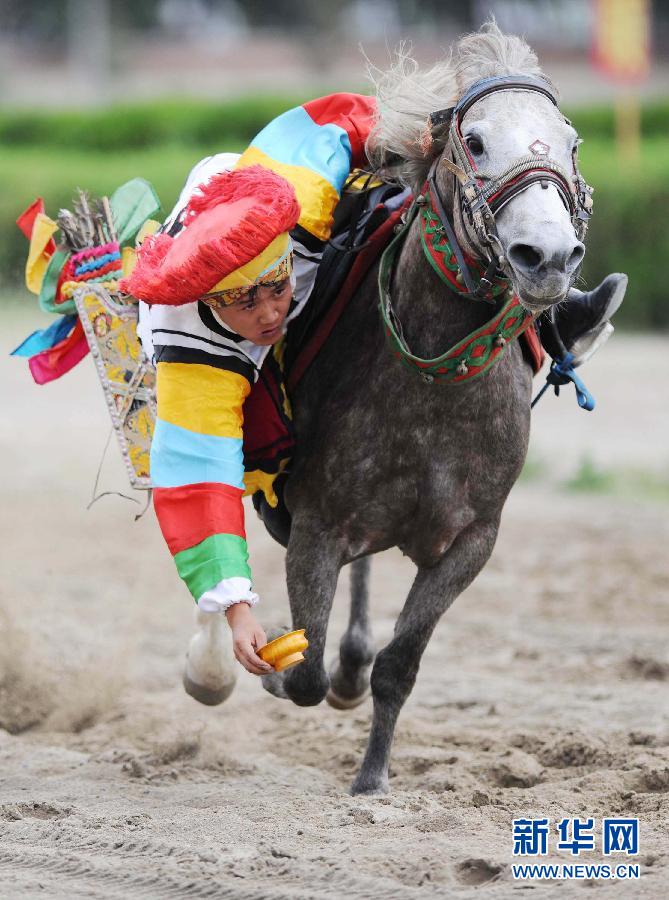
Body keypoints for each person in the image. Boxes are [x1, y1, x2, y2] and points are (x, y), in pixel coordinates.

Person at [122, 92, 624, 679]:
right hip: (218, 339)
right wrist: (236, 612)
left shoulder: (300, 194)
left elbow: (345, 120)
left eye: (274, 289)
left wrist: (428, 136)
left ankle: (549, 318)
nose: (266, 314)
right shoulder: (195, 356)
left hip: (268, 192)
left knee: (425, 199)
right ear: (213, 302)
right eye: (244, 301)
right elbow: (196, 481)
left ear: (288, 256)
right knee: (256, 429)